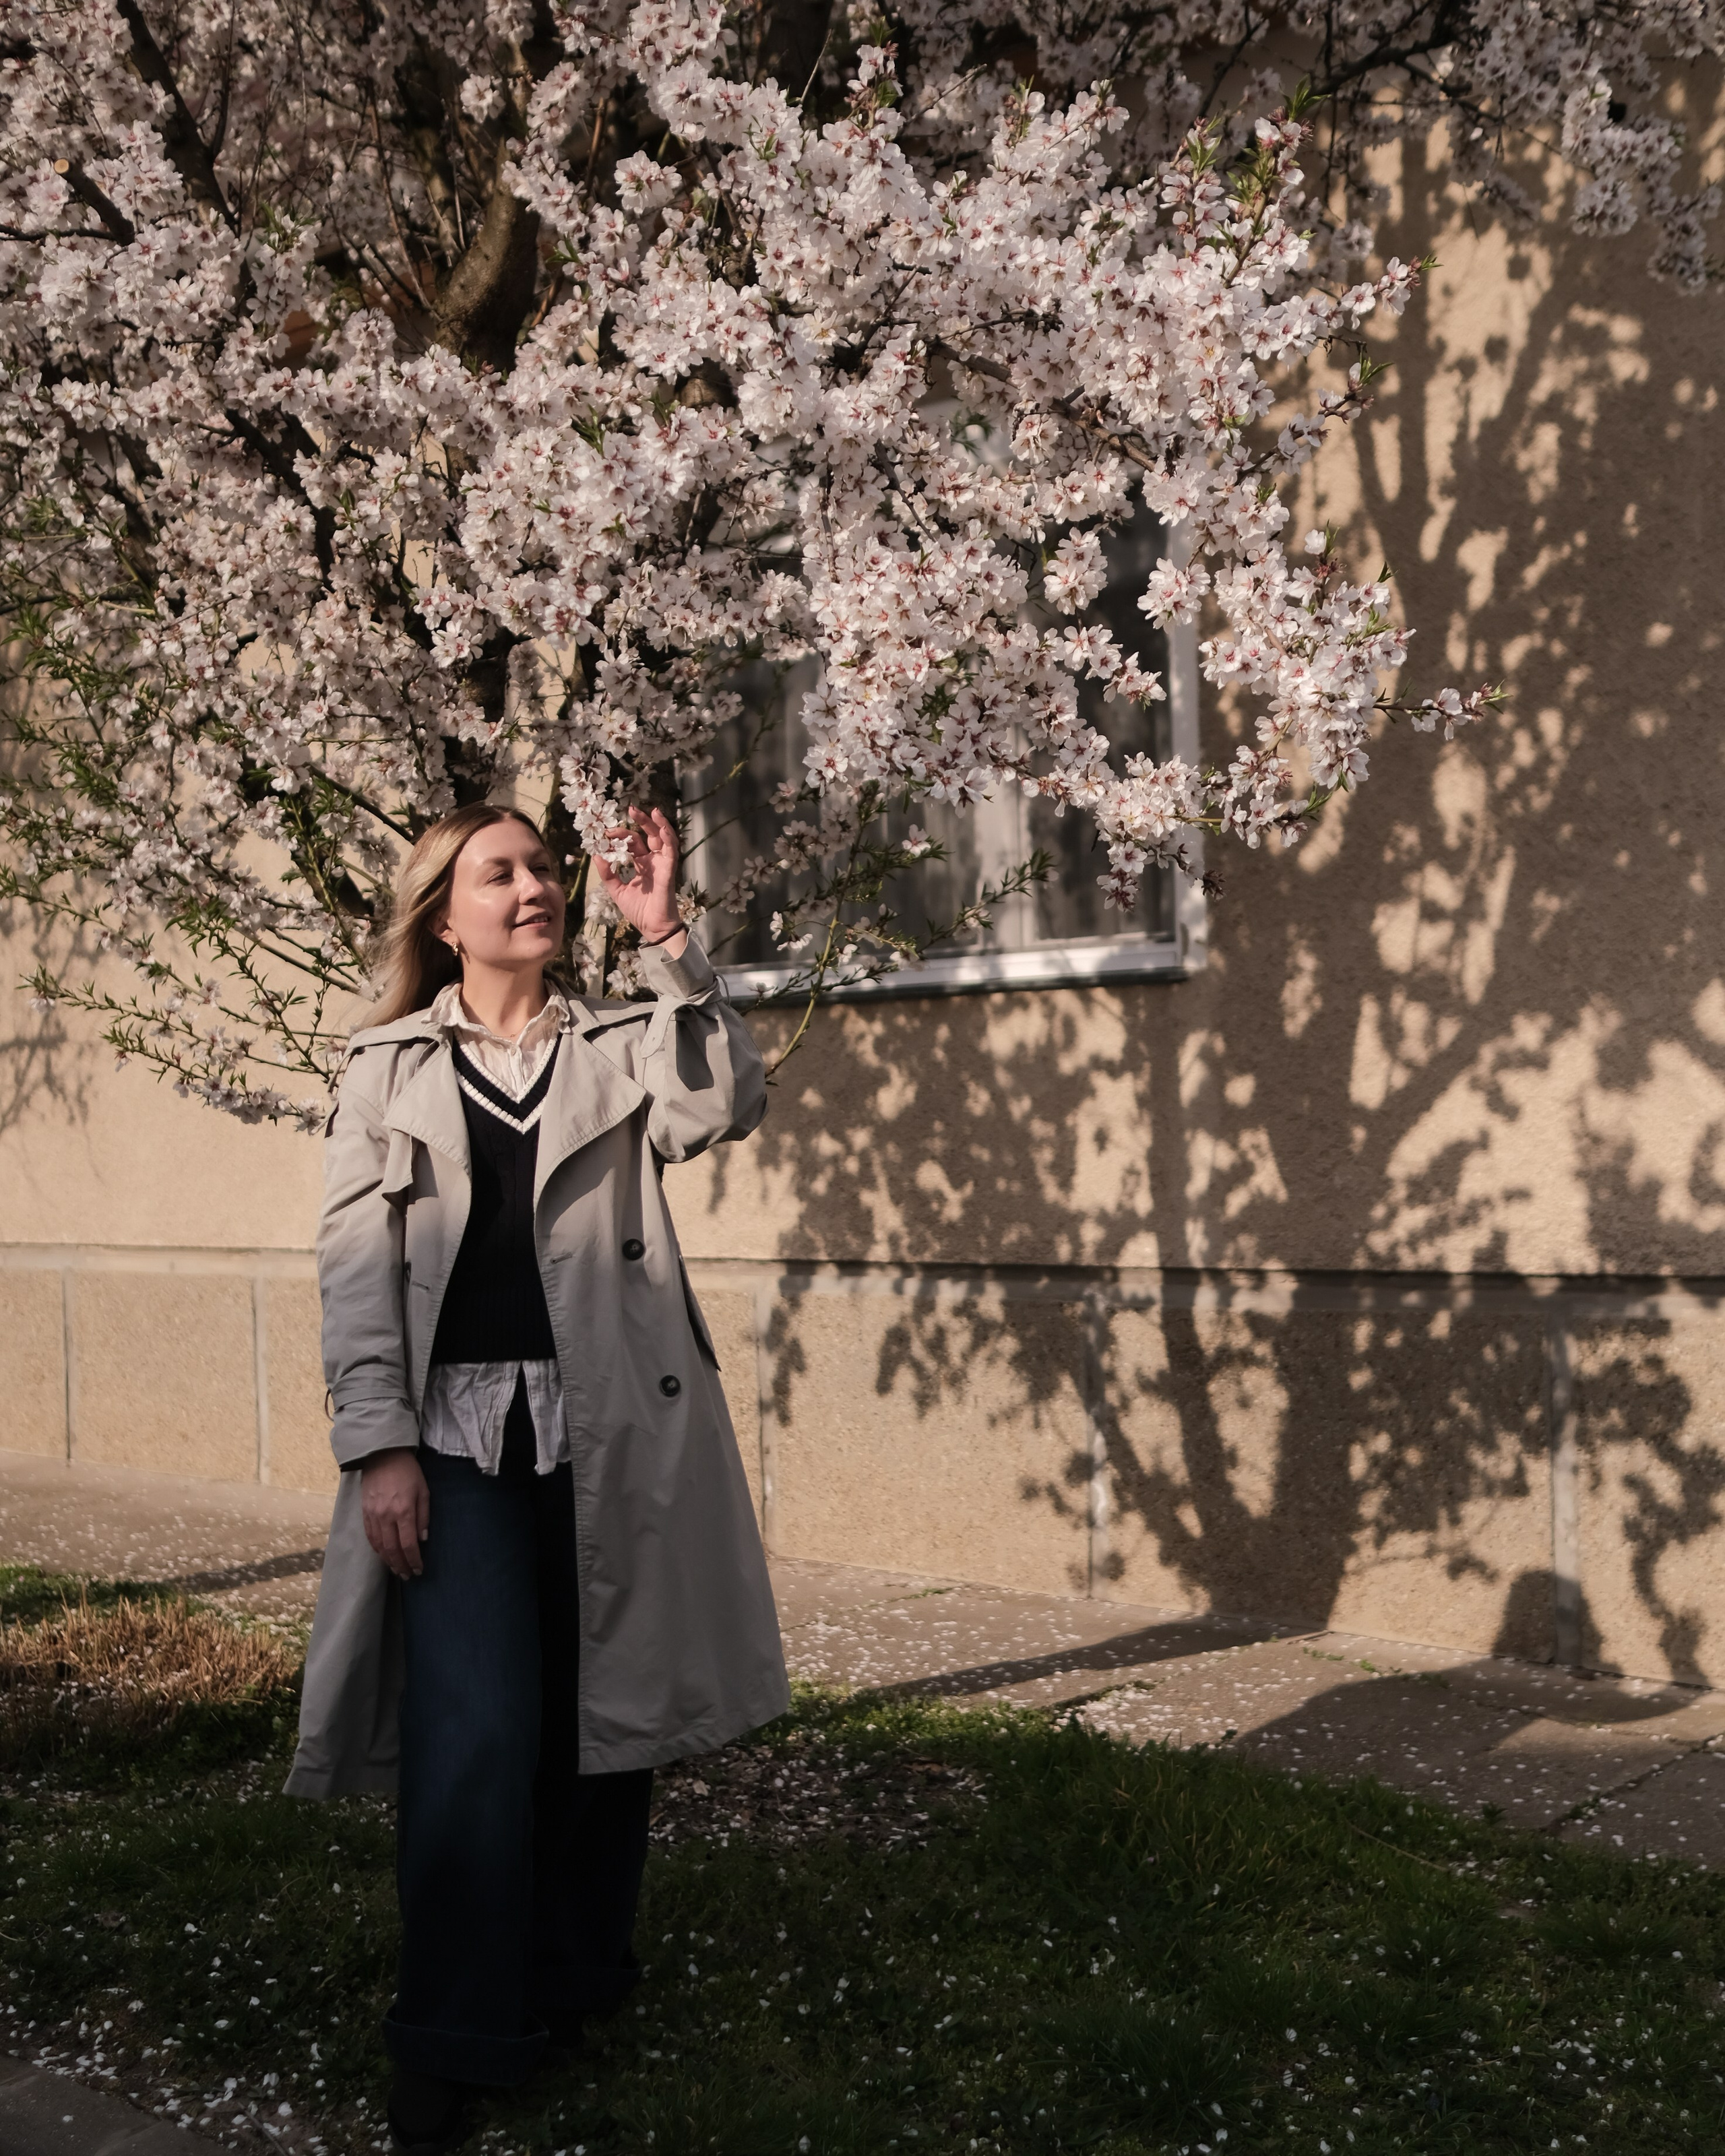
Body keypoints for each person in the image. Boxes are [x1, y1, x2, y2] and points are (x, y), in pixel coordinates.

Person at [284, 802, 788, 2155]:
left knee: (603, 1717)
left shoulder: (621, 1044)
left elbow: (726, 1100)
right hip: (454, 1437)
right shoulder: (386, 1069)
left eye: (537, 870)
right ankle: (452, 2036)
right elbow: (353, 1275)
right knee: (476, 1735)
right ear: (442, 917)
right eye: (494, 873)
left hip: (614, 1427)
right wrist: (380, 1444)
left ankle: (575, 1981)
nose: (531, 889)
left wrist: (666, 935)